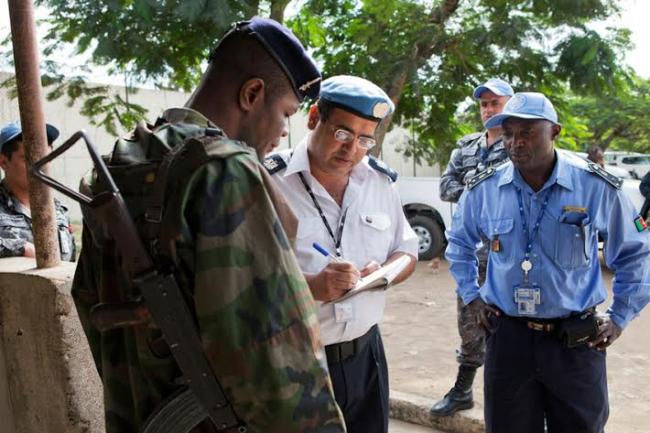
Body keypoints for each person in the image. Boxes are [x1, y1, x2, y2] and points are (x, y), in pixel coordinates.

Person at [71, 17, 346, 433]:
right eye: (285, 113)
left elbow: (91, 306)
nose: (282, 132)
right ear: (252, 94)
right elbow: (276, 356)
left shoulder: (116, 166)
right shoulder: (223, 170)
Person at [446, 92, 650, 433]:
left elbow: (636, 252)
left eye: (527, 132)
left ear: (555, 131)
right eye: (508, 133)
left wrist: (619, 318)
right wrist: (472, 295)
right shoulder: (485, 189)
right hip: (508, 340)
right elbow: (458, 243)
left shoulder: (594, 186)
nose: (516, 142)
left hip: (575, 343)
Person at [265, 75, 419, 433]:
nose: (352, 150)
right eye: (342, 133)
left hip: (367, 357)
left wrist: (382, 274)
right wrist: (311, 288)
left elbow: (406, 250)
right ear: (313, 118)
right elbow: (243, 281)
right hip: (297, 362)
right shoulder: (268, 181)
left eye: (365, 139)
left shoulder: (379, 183)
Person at [431, 78, 513, 416]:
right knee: (469, 324)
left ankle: (512, 398)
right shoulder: (465, 147)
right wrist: (478, 190)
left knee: (512, 328)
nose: (489, 109)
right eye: (484, 104)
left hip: (509, 256)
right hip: (472, 253)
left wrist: (474, 189)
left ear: (510, 105)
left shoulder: (520, 143)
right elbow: (445, 186)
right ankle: (463, 390)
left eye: (495, 103)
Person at [0, 121, 76, 261]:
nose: (42, 166)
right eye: (30, 159)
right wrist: (21, 248)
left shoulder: (58, 210)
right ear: (4, 162)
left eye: (47, 158)